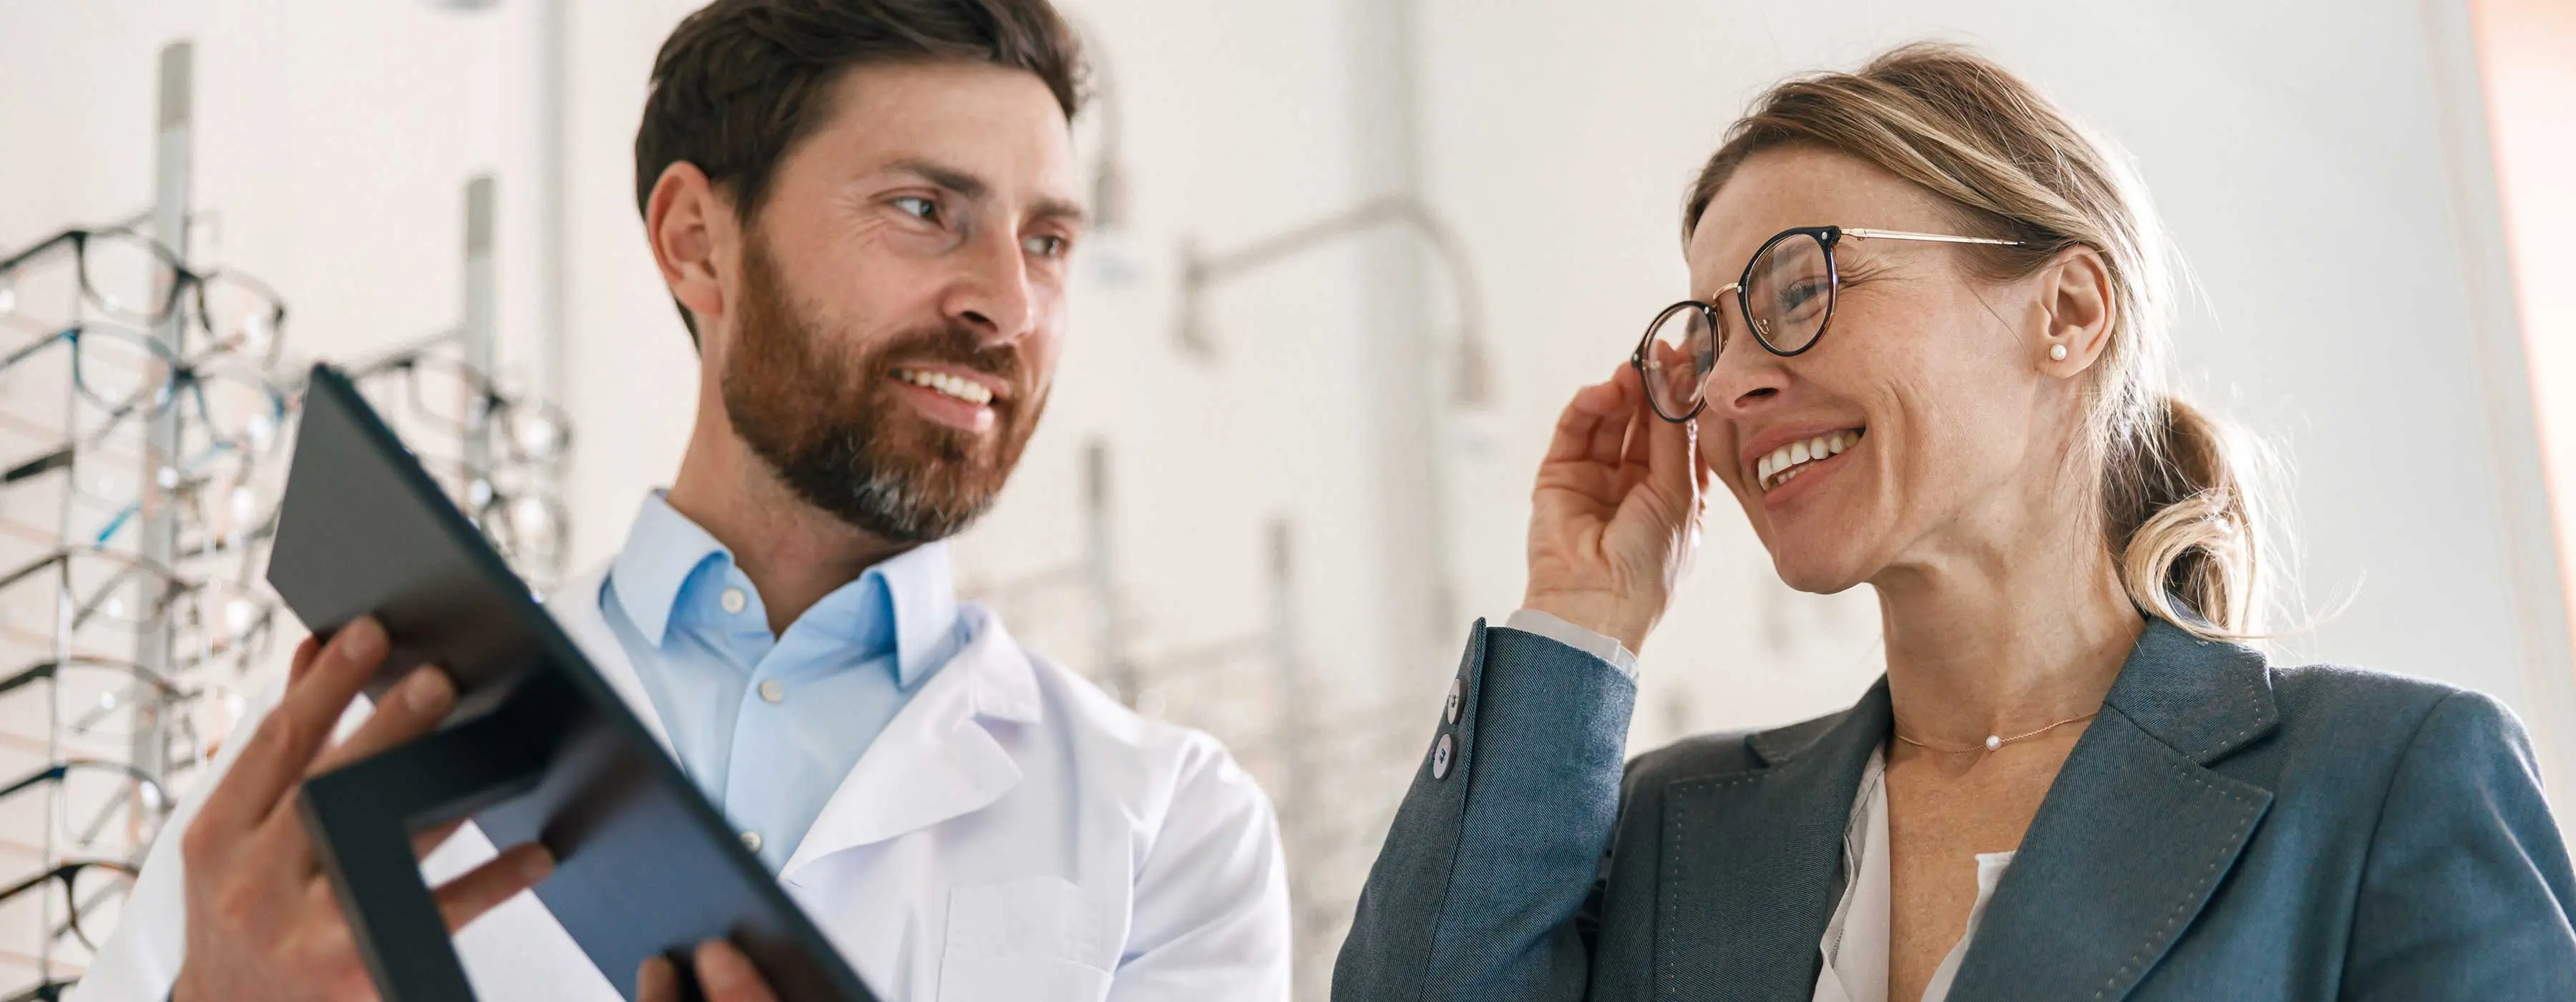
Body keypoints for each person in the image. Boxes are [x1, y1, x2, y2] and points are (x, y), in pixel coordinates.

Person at [70, 1, 1291, 1000]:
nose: (1009, 305)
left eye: (1049, 243)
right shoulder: (351, 758)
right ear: (699, 244)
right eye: (927, 211)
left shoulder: (1169, 832)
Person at [1333, 43, 2576, 1002]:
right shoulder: (1671, 829)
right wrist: (1579, 618)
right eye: (1706, 337)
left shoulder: (2383, 785)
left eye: (1799, 288)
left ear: (2069, 312)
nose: (1722, 387)